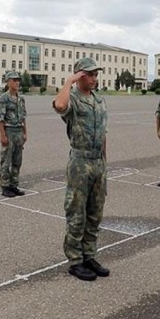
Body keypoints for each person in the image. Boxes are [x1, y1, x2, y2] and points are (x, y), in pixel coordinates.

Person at [53, 58, 110, 281]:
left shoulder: (99, 100)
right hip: (80, 161)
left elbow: (104, 133)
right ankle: (75, 260)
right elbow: (59, 106)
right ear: (79, 76)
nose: (95, 78)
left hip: (98, 163)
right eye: (90, 74)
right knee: (77, 213)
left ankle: (89, 255)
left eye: (96, 74)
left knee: (95, 213)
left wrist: (105, 163)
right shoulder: (73, 99)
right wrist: (69, 82)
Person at [0, 70, 27, 197]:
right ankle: (5, 186)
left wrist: (25, 133)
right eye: (14, 80)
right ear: (8, 82)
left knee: (17, 161)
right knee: (6, 161)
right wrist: (3, 136)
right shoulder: (3, 99)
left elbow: (24, 117)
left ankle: (14, 185)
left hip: (19, 131)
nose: (17, 82)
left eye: (18, 80)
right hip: (9, 131)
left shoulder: (21, 99)